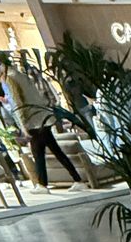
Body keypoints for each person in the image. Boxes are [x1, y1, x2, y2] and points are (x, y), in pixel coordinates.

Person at [6, 52, 83, 193]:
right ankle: (75, 179)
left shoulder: (11, 79)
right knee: (52, 152)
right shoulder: (22, 76)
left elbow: (18, 103)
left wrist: (23, 125)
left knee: (40, 154)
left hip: (33, 121)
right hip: (42, 118)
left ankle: (43, 185)